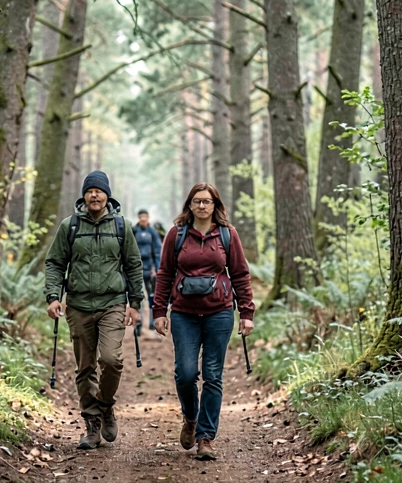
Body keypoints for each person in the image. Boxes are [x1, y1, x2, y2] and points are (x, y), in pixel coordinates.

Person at [152, 182, 254, 461]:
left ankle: (205, 437)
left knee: (213, 375)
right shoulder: (176, 234)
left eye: (207, 201)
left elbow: (241, 274)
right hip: (184, 313)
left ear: (215, 205)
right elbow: (164, 273)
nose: (201, 206)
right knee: (185, 374)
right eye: (197, 201)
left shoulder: (227, 234)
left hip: (219, 312)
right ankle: (191, 417)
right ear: (189, 204)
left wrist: (246, 313)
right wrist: (159, 311)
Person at [45, 170, 144, 450]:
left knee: (111, 360)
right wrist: (53, 296)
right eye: (90, 191)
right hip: (77, 305)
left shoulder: (121, 227)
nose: (94, 195)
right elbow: (54, 262)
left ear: (107, 195)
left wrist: (135, 304)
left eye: (99, 191)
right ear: (84, 195)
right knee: (85, 366)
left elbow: (134, 265)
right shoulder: (70, 226)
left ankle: (105, 405)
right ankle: (91, 424)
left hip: (112, 303)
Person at [132, 209, 162, 329]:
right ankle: (138, 321)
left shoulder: (153, 232)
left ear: (148, 218)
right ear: (138, 218)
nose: (143, 219)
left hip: (150, 271)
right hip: (136, 270)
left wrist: (158, 269)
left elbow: (157, 251)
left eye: (145, 217)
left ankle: (152, 320)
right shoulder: (134, 231)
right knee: (137, 296)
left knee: (151, 296)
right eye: (141, 217)